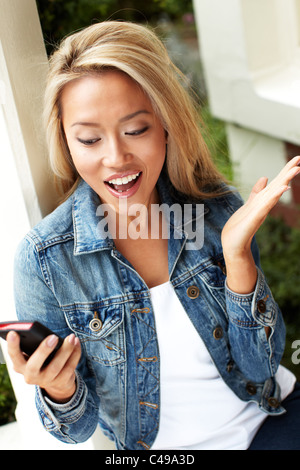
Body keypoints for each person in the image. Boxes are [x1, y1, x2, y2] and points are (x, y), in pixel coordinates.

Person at [7, 21, 300, 450]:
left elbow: (261, 367)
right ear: (66, 142)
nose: (115, 157)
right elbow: (75, 431)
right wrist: (59, 390)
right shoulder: (45, 260)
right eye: (88, 139)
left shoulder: (216, 211)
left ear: (165, 123)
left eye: (136, 130)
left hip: (270, 422)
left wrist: (239, 260)